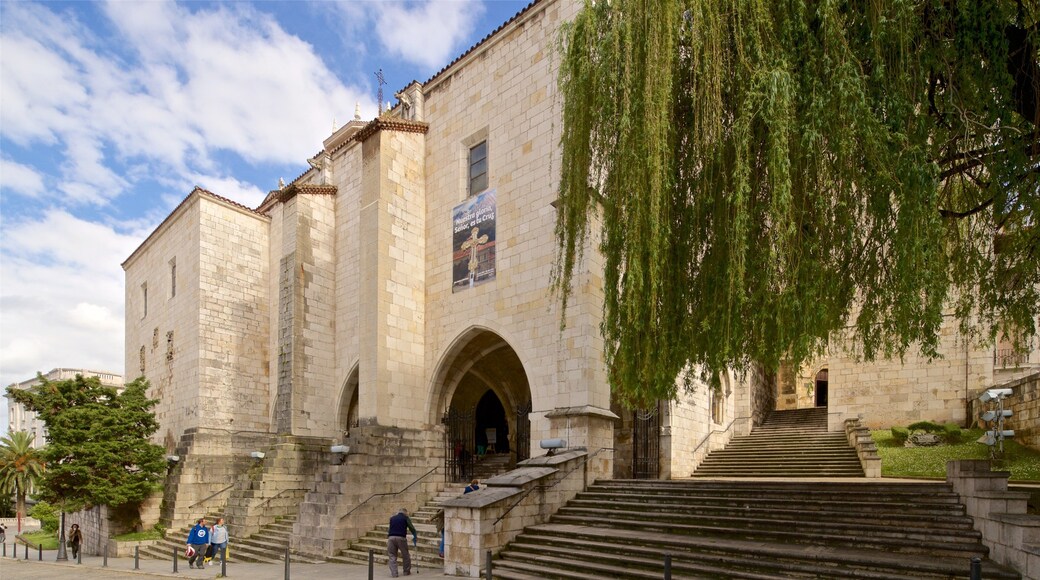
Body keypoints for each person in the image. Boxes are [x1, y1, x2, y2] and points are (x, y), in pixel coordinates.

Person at [386, 507, 417, 578]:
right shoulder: (405, 518)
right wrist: (415, 535)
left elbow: (389, 529)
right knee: (405, 555)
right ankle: (406, 571)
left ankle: (394, 573)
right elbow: (411, 528)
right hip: (401, 538)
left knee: (392, 555)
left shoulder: (392, 518)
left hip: (391, 538)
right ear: (405, 513)